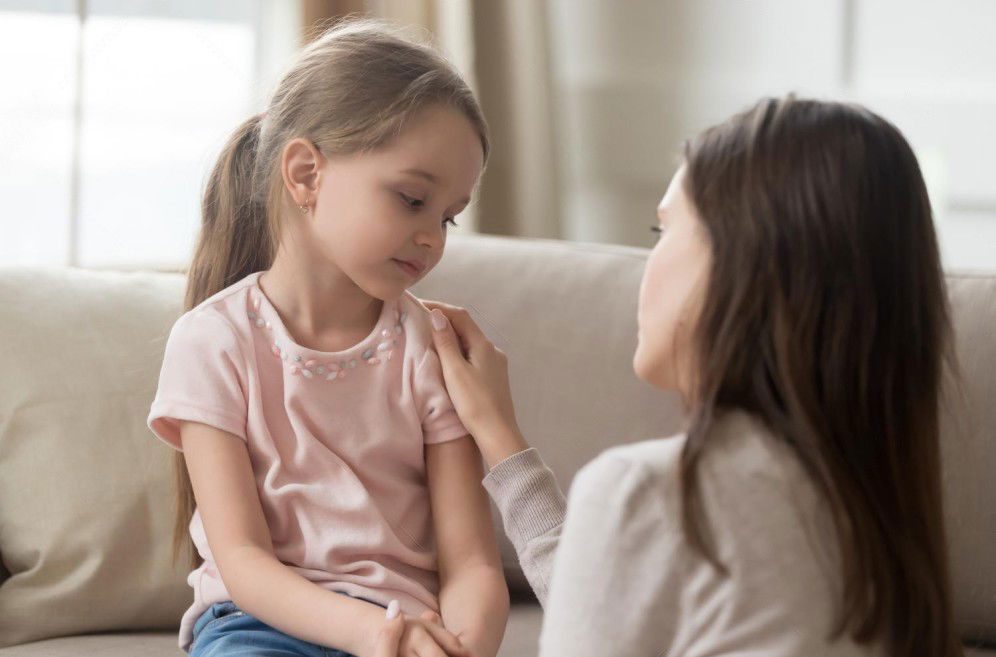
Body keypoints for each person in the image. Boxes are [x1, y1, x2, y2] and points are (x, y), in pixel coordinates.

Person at [417, 96, 965, 656]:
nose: (647, 265)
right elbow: (617, 607)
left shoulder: (649, 493)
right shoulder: (880, 517)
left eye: (663, 230)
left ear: (743, 264)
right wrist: (501, 439)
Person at [147, 20, 508, 657]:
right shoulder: (212, 342)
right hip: (255, 624)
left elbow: (472, 563)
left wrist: (463, 647)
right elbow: (244, 561)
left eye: (449, 217)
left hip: (407, 627)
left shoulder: (431, 348)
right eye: (412, 199)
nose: (433, 238)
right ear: (306, 174)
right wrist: (376, 635)